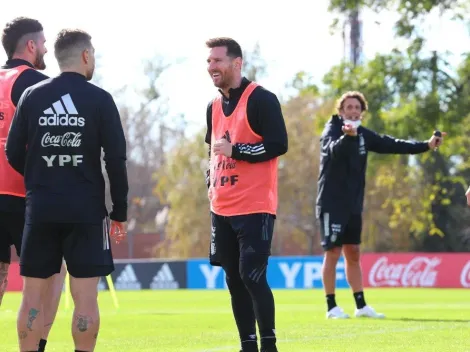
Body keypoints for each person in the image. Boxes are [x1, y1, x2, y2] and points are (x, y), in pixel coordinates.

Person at [5, 28, 128, 352]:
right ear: (86, 56)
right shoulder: (100, 99)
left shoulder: (33, 96)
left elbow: (13, 152)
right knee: (85, 297)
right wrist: (120, 212)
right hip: (86, 212)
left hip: (41, 209)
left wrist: (38, 180)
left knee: (32, 296)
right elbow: (115, 160)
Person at [316, 91, 445, 319]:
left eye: (357, 107)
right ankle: (331, 307)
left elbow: (392, 144)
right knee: (333, 251)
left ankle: (361, 306)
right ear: (341, 110)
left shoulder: (364, 134)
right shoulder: (332, 130)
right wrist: (349, 137)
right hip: (332, 203)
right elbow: (333, 152)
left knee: (353, 252)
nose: (353, 110)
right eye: (349, 107)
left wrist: (426, 145)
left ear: (362, 113)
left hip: (353, 205)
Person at [205, 37, 288, 352]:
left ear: (236, 63)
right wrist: (210, 180)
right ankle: (247, 345)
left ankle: (269, 344)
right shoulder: (212, 106)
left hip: (255, 207)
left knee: (251, 276)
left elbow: (278, 144)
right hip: (221, 208)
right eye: (209, 61)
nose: (212, 67)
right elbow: (213, 153)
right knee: (233, 280)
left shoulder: (262, 99)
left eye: (217, 61)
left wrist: (237, 149)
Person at [0, 17, 66, 352]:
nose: (44, 49)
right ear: (30, 46)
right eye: (42, 44)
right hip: (25, 196)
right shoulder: (38, 84)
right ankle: (36, 345)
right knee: (50, 277)